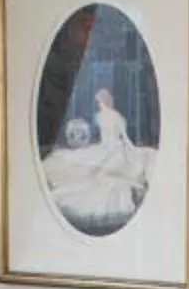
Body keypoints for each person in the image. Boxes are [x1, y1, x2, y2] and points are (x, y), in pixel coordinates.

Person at [40, 83, 155, 233]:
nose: (101, 103)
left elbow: (119, 138)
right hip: (111, 147)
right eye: (102, 100)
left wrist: (129, 149)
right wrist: (130, 149)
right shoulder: (111, 117)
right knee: (87, 162)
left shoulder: (101, 117)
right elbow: (123, 138)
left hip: (112, 148)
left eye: (102, 101)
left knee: (93, 164)